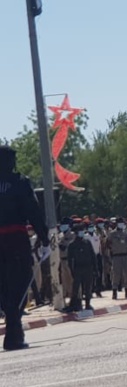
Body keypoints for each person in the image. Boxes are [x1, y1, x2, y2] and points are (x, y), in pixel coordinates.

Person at [0, 145, 50, 351]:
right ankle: (14, 329)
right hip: (16, 240)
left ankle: (12, 323)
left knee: (2, 287)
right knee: (21, 283)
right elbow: (33, 211)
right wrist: (45, 238)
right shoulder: (20, 183)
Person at [63, 224, 97, 312]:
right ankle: (75, 304)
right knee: (76, 288)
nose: (82, 232)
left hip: (88, 267)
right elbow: (70, 259)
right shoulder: (72, 245)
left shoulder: (87, 242)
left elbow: (93, 255)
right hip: (78, 268)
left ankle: (88, 304)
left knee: (88, 287)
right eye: (80, 231)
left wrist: (95, 268)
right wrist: (72, 270)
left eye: (82, 230)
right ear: (76, 233)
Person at [108, 218, 127, 300]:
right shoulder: (112, 234)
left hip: (125, 255)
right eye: (120, 223)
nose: (121, 224)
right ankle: (114, 291)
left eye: (122, 223)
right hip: (116, 256)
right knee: (116, 274)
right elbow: (108, 244)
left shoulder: (125, 233)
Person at [85, 223, 104, 297]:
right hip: (89, 256)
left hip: (97, 255)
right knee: (90, 274)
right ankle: (90, 290)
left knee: (99, 273)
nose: (91, 229)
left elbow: (99, 246)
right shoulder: (85, 237)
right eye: (90, 227)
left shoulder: (96, 236)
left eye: (92, 227)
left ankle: (98, 290)